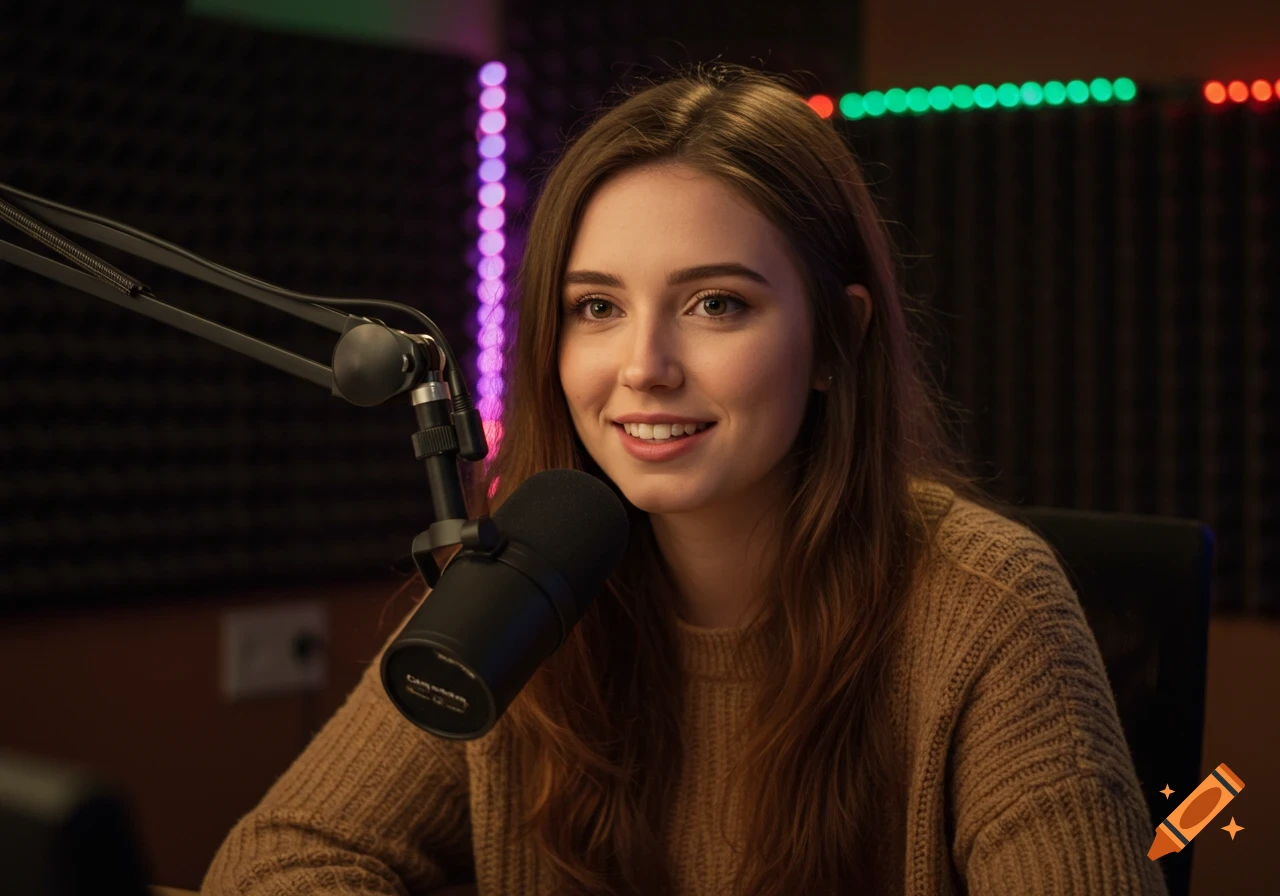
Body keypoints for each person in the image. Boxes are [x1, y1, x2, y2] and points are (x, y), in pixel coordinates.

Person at [200, 63, 1167, 896]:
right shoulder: (517, 583)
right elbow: (280, 860)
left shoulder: (990, 606)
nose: (644, 366)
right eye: (597, 306)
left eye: (715, 303)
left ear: (839, 339)